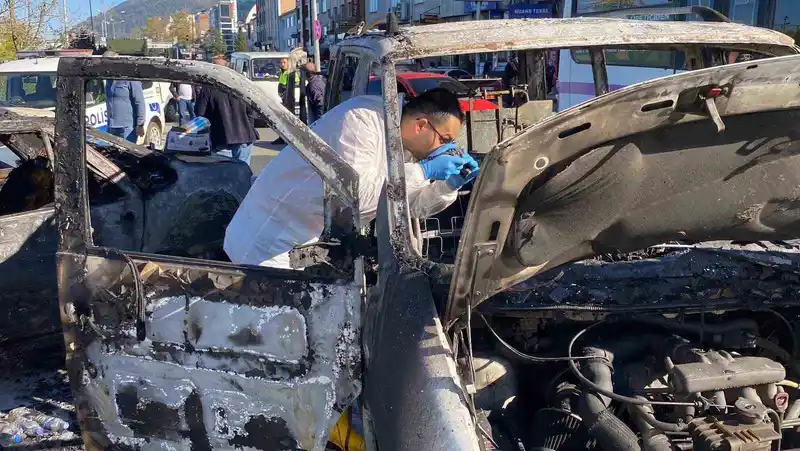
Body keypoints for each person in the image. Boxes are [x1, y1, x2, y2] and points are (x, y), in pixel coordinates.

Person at [224, 88, 479, 269]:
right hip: (268, 241)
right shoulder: (362, 120)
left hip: (303, 240)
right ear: (421, 125)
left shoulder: (406, 146)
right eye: (444, 140)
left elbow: (409, 206)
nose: (445, 149)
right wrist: (424, 171)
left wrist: (448, 186)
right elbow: (357, 199)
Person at [194, 54, 259, 165]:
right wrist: (249, 126)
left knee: (225, 171)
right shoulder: (240, 84)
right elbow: (251, 110)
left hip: (221, 137)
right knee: (243, 170)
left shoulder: (208, 87)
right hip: (244, 135)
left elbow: (200, 113)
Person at [103, 50, 145, 143]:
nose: (107, 67)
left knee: (127, 152)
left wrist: (140, 125)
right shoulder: (108, 79)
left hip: (127, 128)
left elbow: (139, 101)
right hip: (112, 127)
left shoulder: (130, 78)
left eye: (109, 64)